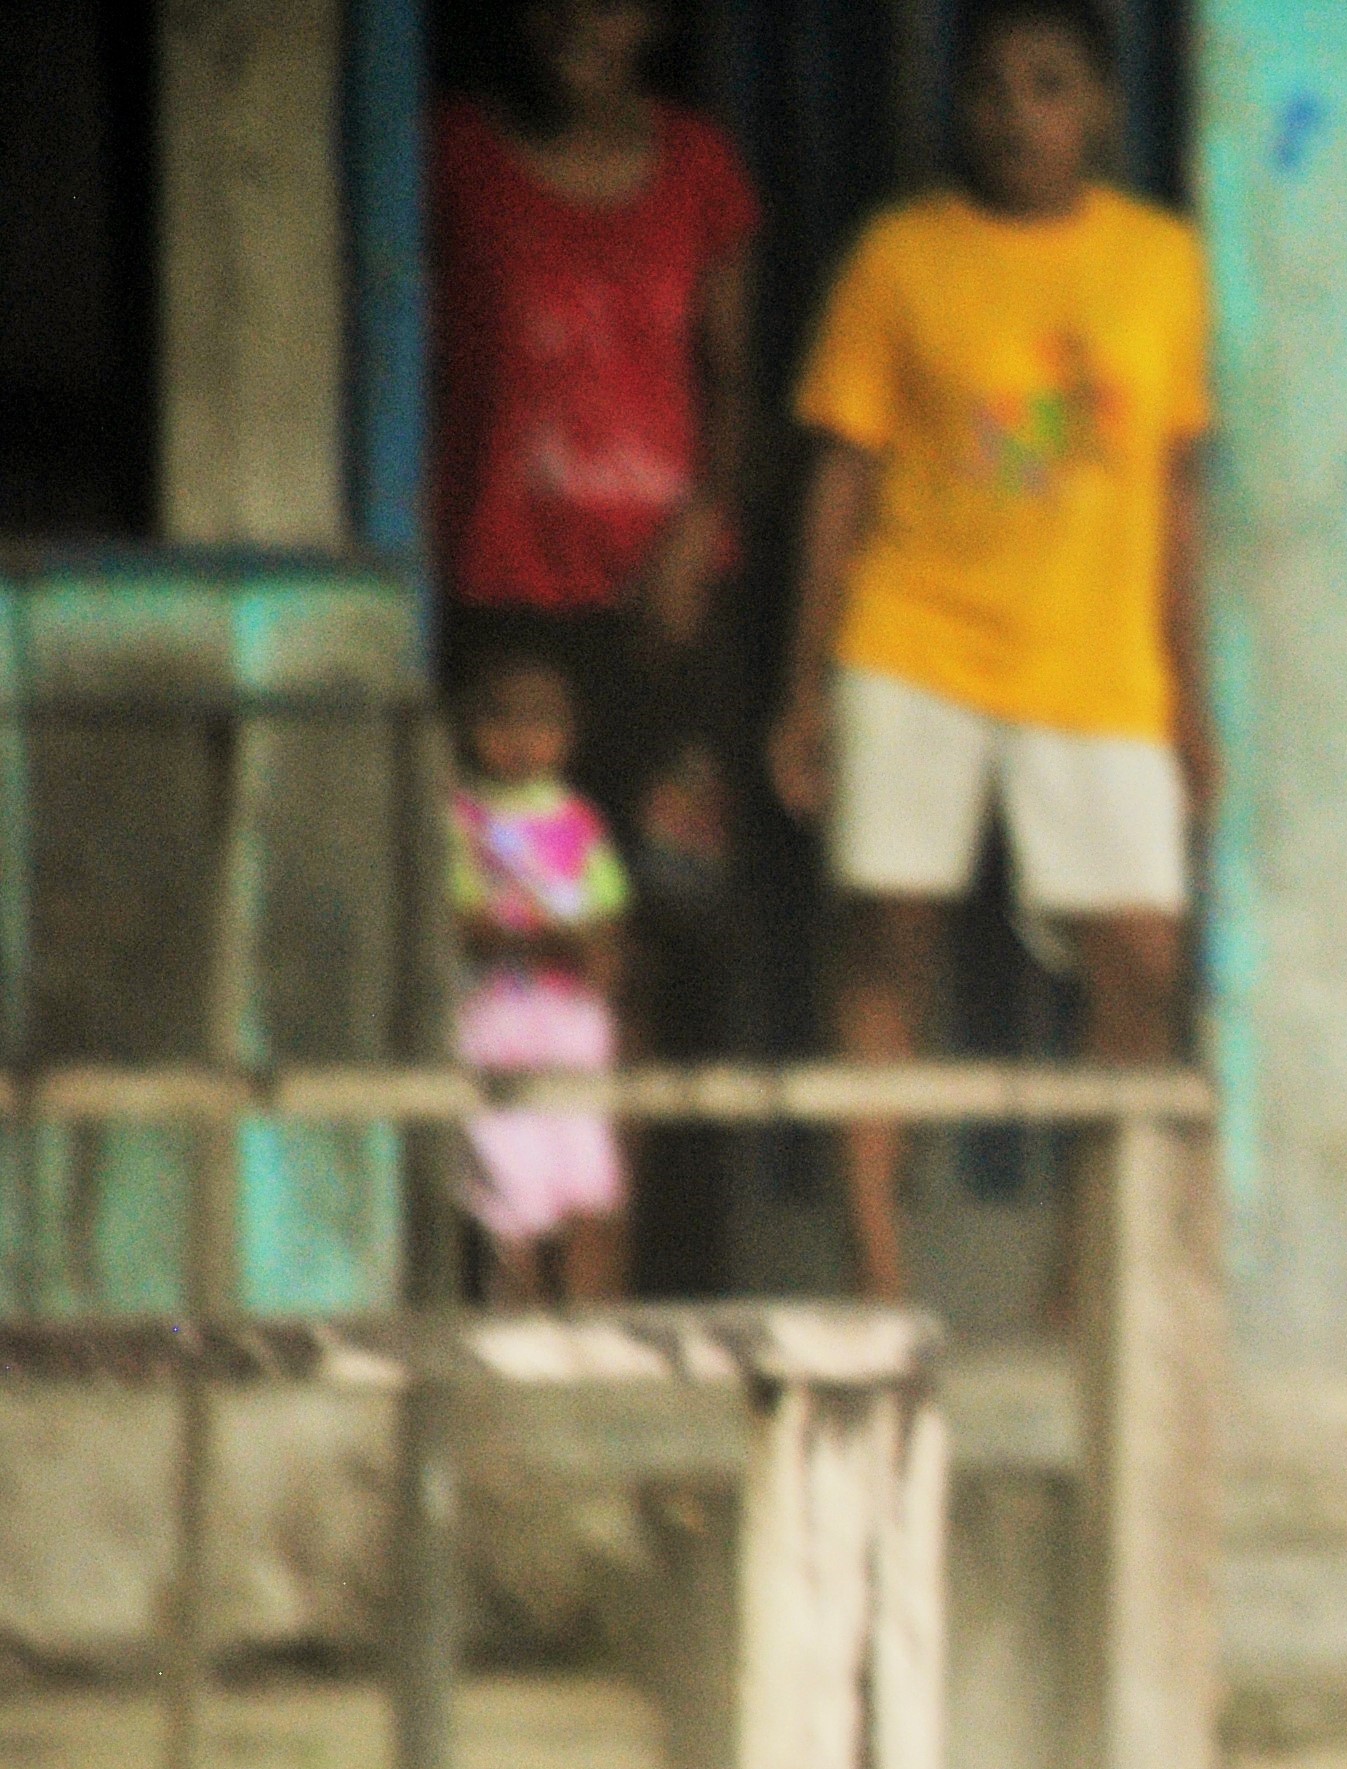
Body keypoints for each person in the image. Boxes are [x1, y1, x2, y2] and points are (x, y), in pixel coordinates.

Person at [771, 0, 1214, 1302]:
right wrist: (803, 687)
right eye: (992, 89)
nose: (1019, 115)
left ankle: (1087, 1269)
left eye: (1050, 85)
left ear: (1103, 108)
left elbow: (1176, 490)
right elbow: (841, 478)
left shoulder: (1162, 262)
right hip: (913, 640)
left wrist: (1190, 696)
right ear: (957, 107)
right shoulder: (900, 256)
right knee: (886, 932)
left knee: (1140, 961)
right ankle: (876, 1269)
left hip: (1096, 658)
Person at [430, 0, 757, 1286]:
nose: (581, 19)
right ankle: (505, 1258)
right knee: (500, 943)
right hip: (507, 610)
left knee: (662, 934)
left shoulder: (699, 169)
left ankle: (637, 1266)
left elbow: (734, 382)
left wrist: (699, 528)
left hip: (663, 623)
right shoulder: (457, 156)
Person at [447, 647, 632, 1304]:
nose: (521, 737)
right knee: (512, 1198)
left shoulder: (579, 822)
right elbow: (463, 921)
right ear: (472, 728)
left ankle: (589, 1331)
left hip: (572, 1024)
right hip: (493, 1021)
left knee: (586, 1184)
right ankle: (517, 1328)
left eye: (541, 720)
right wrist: (548, 941)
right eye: (502, 719)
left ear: (569, 733)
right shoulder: (459, 820)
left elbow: (606, 923)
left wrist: (591, 957)